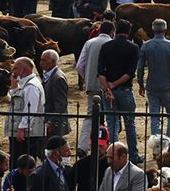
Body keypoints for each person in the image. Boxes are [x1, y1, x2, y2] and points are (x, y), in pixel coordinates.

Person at [97, 19, 143, 164]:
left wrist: (107, 88)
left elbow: (100, 72)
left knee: (112, 123)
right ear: (128, 32)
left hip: (107, 90)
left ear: (116, 30)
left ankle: (113, 154)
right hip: (124, 89)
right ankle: (133, 155)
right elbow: (130, 73)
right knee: (129, 124)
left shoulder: (106, 46)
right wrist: (114, 84)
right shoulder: (133, 48)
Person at [137, 19, 170, 138]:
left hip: (152, 84)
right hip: (168, 84)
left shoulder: (146, 45)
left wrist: (140, 83)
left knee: (155, 116)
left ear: (153, 30)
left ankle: (156, 142)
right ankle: (169, 141)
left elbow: (140, 67)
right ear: (165, 30)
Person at [75, 21, 114, 153]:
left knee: (90, 116)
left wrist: (87, 78)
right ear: (112, 31)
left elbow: (79, 65)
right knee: (111, 115)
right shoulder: (111, 43)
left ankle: (83, 146)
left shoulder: (89, 43)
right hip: (108, 85)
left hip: (92, 85)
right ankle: (108, 146)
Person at [8, 57, 46, 160]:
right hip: (24, 132)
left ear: (23, 70)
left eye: (16, 68)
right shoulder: (25, 83)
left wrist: (22, 128)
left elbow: (30, 109)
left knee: (23, 161)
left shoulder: (31, 86)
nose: (13, 71)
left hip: (27, 134)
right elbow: (19, 99)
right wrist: (14, 85)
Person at [41, 49, 70, 138]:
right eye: (41, 60)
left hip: (54, 125)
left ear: (53, 61)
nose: (41, 63)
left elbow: (61, 104)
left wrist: (51, 122)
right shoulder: (48, 75)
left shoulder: (58, 78)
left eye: (44, 60)